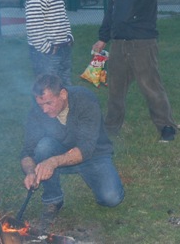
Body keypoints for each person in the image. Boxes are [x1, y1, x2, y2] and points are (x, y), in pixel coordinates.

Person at [92, 0, 177, 142]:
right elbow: (112, 10)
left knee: (150, 86)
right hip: (119, 42)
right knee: (115, 88)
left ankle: (166, 127)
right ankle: (110, 128)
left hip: (142, 42)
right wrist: (103, 38)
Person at [20, 74, 124, 233]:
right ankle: (53, 199)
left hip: (94, 154)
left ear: (63, 94)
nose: (44, 109)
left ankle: (91, 174)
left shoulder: (84, 100)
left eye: (49, 103)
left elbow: (86, 148)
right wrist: (31, 172)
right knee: (43, 147)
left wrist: (53, 162)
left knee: (112, 198)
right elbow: (27, 151)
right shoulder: (38, 112)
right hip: (60, 152)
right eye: (40, 104)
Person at [25, 0, 74, 86]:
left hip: (63, 48)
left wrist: (68, 37)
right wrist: (48, 49)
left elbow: (62, 16)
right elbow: (34, 25)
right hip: (47, 54)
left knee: (64, 88)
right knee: (47, 90)